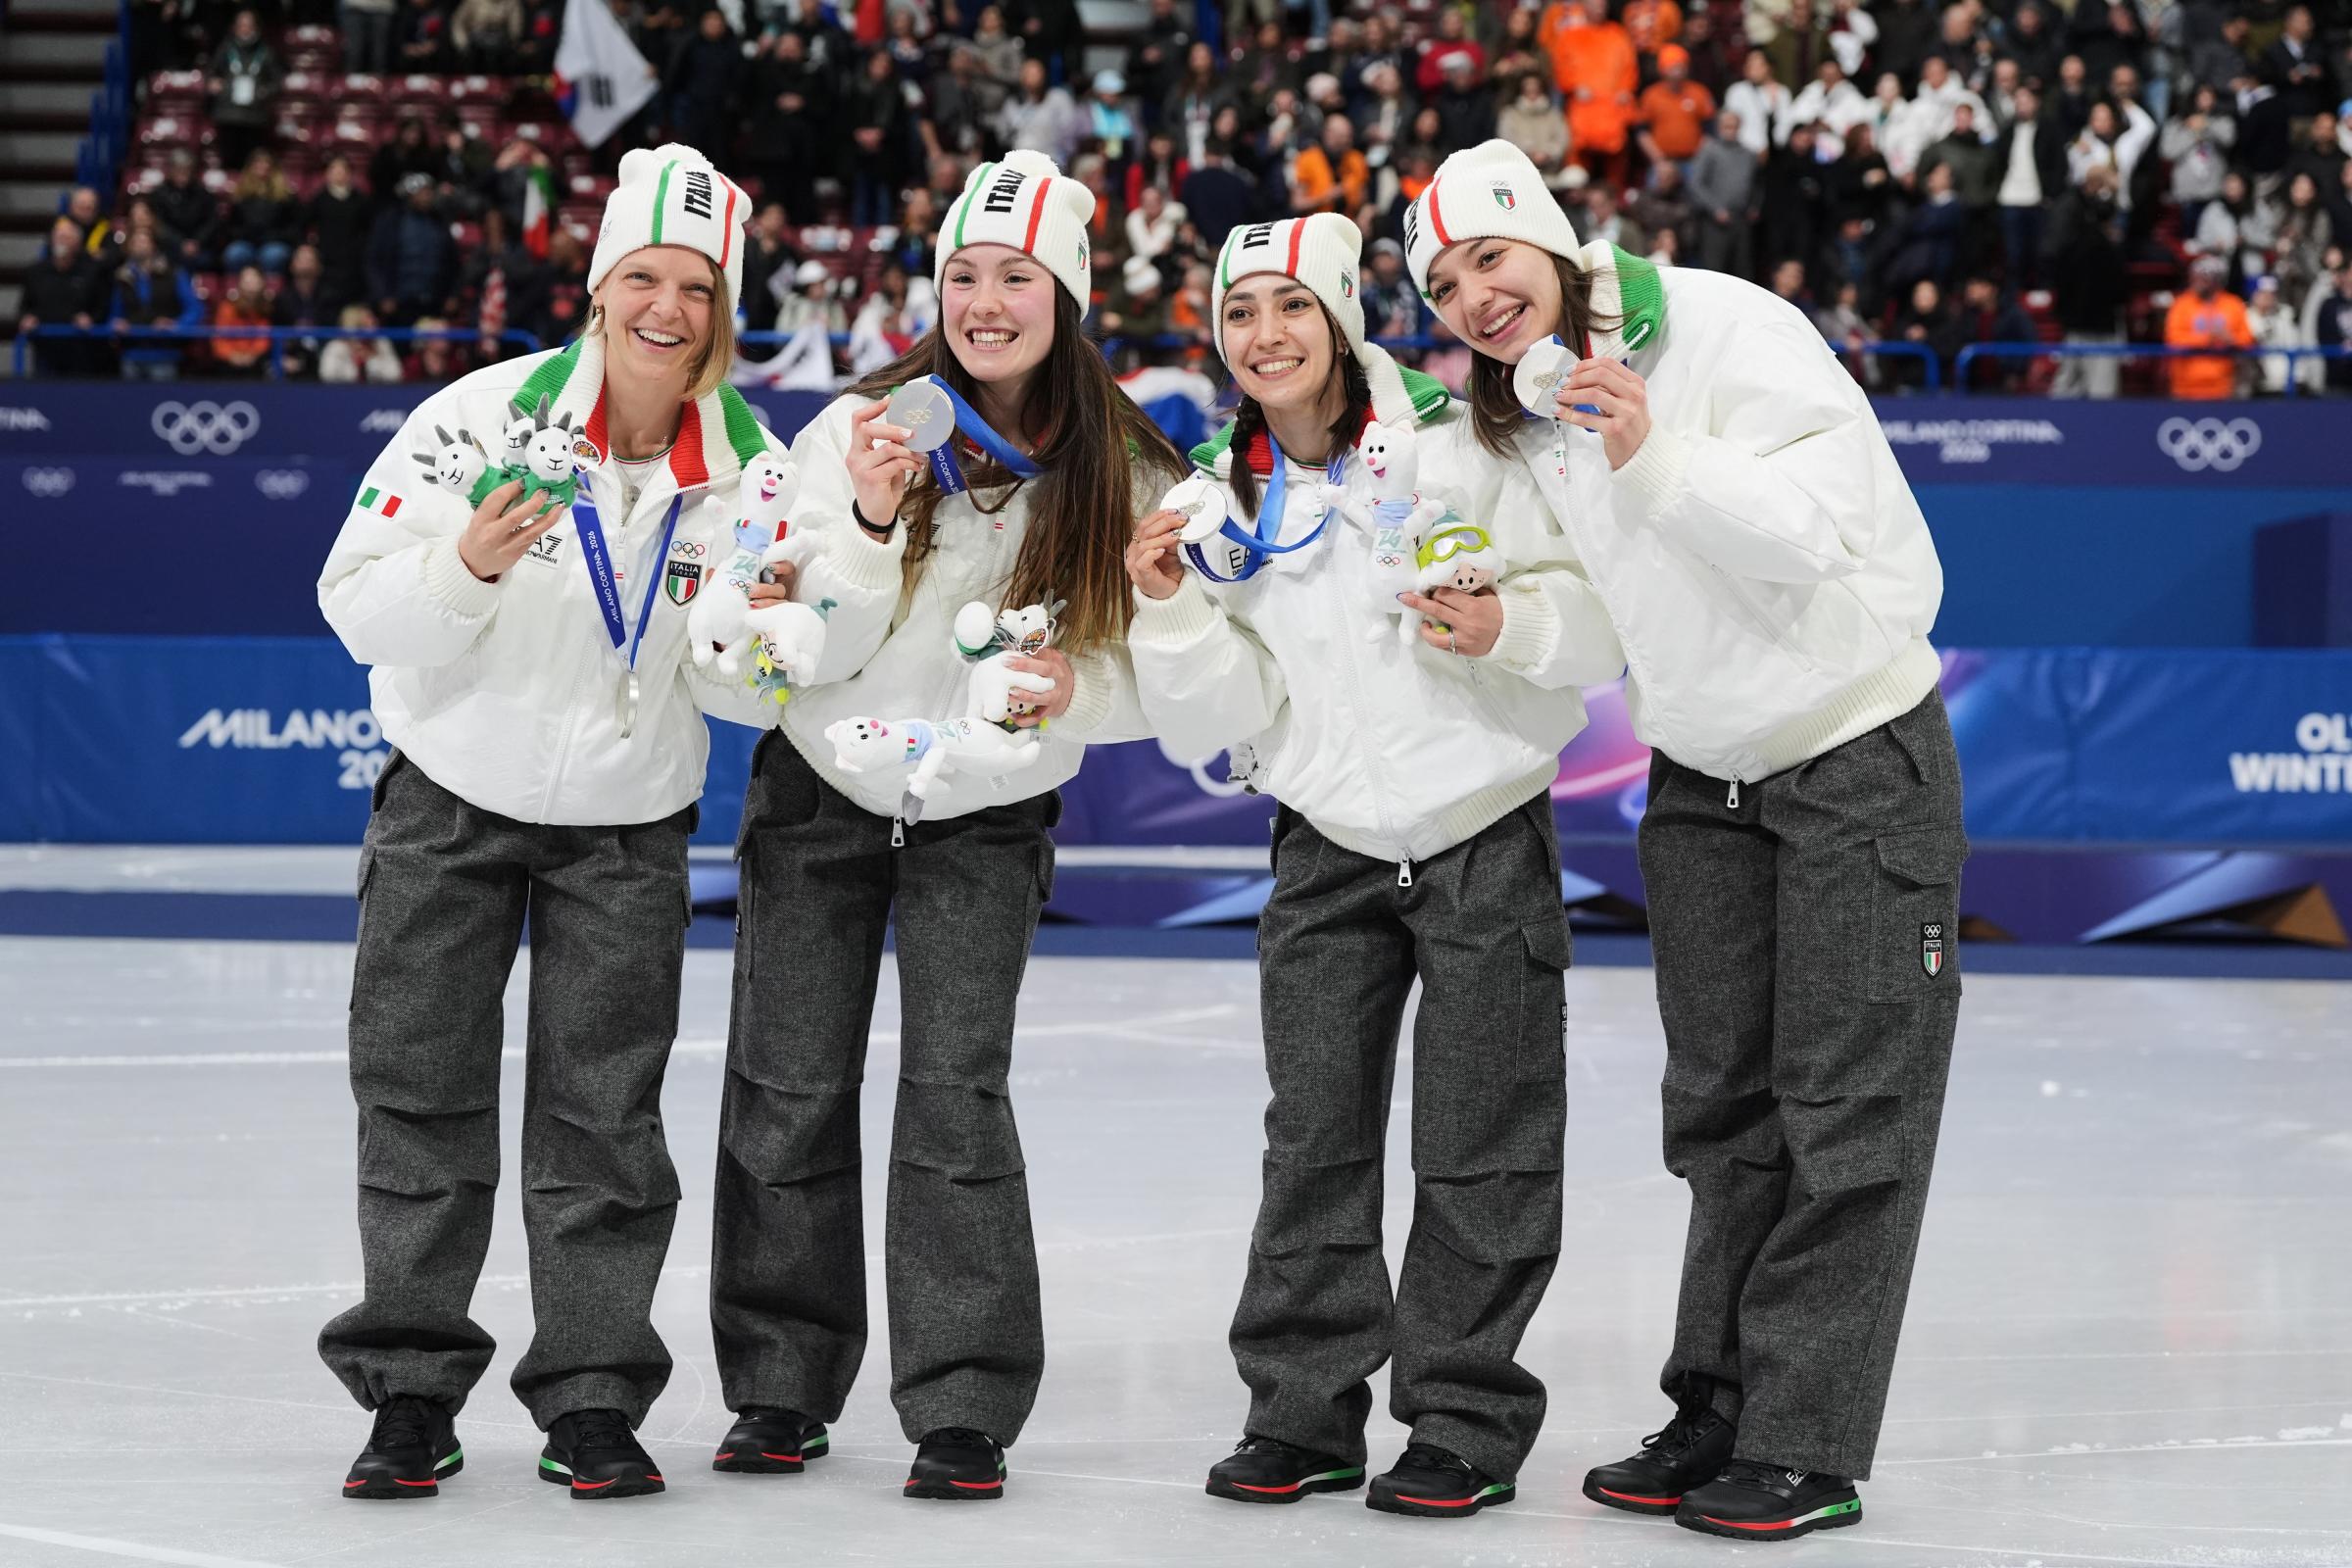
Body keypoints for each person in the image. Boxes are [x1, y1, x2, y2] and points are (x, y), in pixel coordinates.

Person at [316, 143, 892, 1505]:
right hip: (448, 802)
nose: (667, 309)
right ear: (597, 288)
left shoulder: (754, 469)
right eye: (643, 277)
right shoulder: (479, 416)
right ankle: (408, 1391)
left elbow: (755, 675)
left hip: (628, 832)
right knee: (418, 1099)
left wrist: (764, 638)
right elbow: (352, 602)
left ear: (722, 308)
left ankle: (590, 1395)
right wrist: (465, 565)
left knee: (605, 1123)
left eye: (695, 287)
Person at [1411, 140, 1962, 1544]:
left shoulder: (1728, 327)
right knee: (1723, 1118)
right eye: (1443, 283)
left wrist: (1653, 448)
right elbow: (1603, 622)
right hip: (1701, 780)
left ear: (1549, 242)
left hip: (1852, 753)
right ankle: (1717, 1401)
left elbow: (1826, 534)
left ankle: (1804, 1438)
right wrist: (1509, 626)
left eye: (1490, 258)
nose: (1473, 297)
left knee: (1846, 1115)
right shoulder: (1525, 417)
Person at [1124, 211, 1621, 1520]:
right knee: (1314, 1142)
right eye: (1240, 314)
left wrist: (1505, 621)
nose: (1265, 335)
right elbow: (1209, 724)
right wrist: (1170, 613)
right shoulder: (1207, 502)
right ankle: (1301, 1414)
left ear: (1341, 317)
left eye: (1292, 306)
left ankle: (1461, 1420)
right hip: (1324, 848)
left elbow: (1593, 622)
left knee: (1484, 1140)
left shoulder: (1467, 452)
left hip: (1483, 829)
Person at [708, 150, 1186, 1501]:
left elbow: (1165, 661)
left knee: (955, 1097)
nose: (986, 301)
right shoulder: (864, 423)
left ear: (1066, 295)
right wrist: (866, 513)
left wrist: (1072, 696)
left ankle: (964, 1402)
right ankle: (780, 1385)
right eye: (965, 274)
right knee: (787, 1087)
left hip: (985, 811)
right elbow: (795, 629)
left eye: (1016, 277)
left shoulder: (1127, 465)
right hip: (822, 791)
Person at [2165, 255, 2254, 399]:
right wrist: (2206, 338)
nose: (2197, 282)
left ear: (2216, 280)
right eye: (2195, 277)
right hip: (2185, 389)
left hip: (2224, 388)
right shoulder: (2181, 304)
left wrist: (2231, 339)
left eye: (2203, 278)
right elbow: (2173, 340)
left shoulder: (2233, 305)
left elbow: (2247, 339)